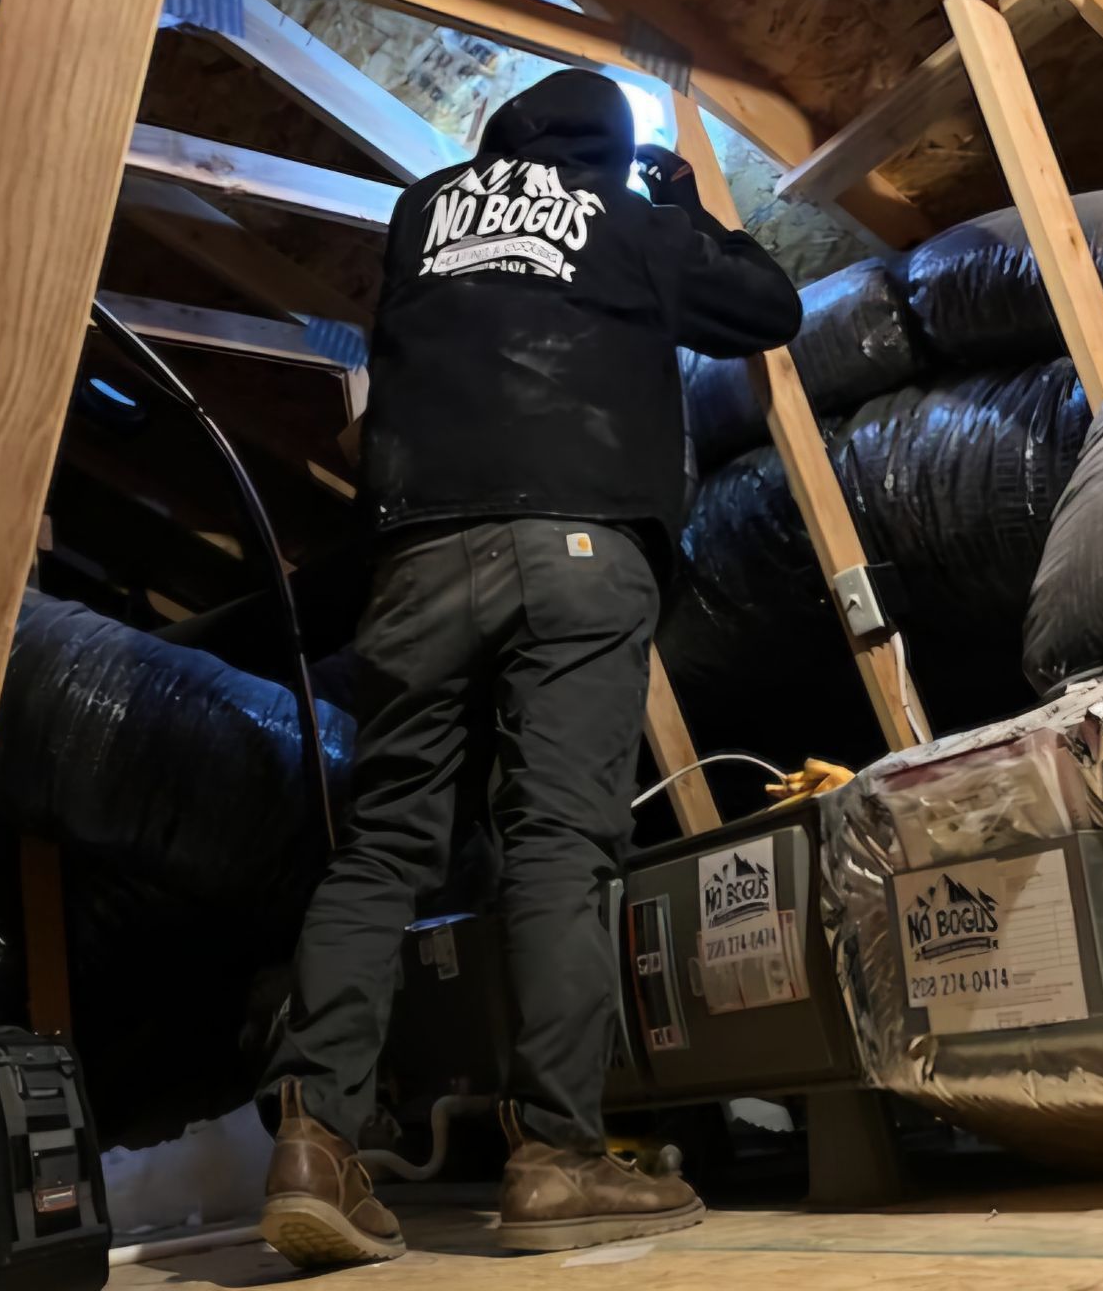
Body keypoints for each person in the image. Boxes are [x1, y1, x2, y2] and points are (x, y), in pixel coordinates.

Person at [257, 68, 802, 1267]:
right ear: (611, 154)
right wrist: (685, 205)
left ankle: (316, 1145)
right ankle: (556, 1156)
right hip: (578, 544)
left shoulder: (421, 216)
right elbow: (767, 306)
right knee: (557, 840)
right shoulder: (626, 218)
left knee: (385, 846)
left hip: (415, 563)